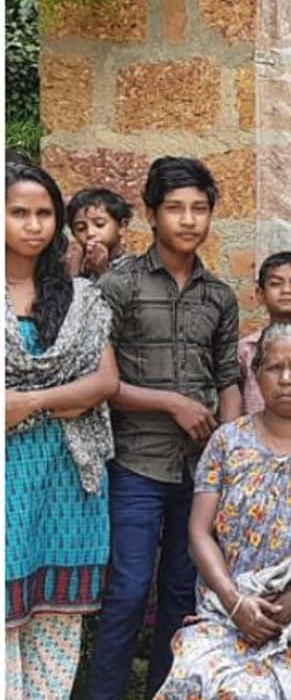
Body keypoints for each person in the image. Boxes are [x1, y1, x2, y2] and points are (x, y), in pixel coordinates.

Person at [89, 157, 243, 699]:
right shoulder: (118, 285)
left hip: (199, 471)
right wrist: (171, 403)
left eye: (199, 208)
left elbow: (228, 380)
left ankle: (166, 691)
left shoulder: (219, 296)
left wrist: (229, 454)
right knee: (128, 592)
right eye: (175, 208)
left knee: (183, 592)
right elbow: (100, 382)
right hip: (135, 462)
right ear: (152, 214)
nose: (188, 219)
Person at [155, 323, 291, 699]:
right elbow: (199, 534)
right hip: (233, 599)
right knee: (196, 673)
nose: (285, 378)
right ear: (256, 373)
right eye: (273, 367)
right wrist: (234, 603)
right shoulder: (227, 441)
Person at [5, 163, 119, 697]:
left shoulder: (78, 298)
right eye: (18, 213)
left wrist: (28, 400)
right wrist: (62, 399)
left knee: (55, 624)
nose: (34, 225)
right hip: (9, 479)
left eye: (44, 213)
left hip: (67, 478)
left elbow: (103, 381)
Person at [239, 252, 291, 414]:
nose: (286, 290)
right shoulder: (246, 348)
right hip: (254, 435)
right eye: (275, 284)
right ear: (260, 294)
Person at [65, 186, 134, 279]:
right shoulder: (72, 263)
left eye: (99, 224)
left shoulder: (135, 270)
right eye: (81, 228)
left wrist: (101, 272)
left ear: (122, 226)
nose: (90, 233)